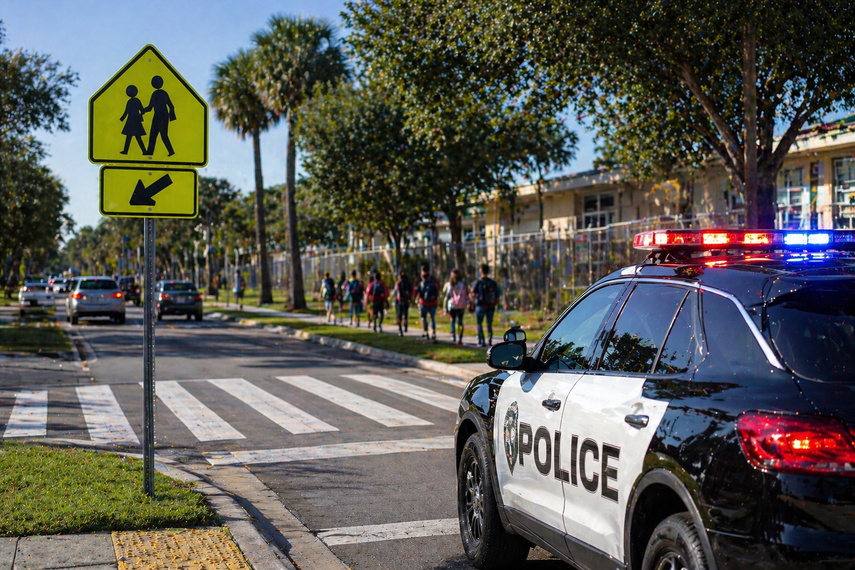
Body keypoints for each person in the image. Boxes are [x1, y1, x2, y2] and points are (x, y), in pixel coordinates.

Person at [143, 75, 176, 156]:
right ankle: (150, 152)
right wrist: (143, 110)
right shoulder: (161, 93)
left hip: (161, 116)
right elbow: (151, 107)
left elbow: (170, 106)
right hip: (160, 115)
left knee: (161, 134)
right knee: (155, 134)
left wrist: (171, 116)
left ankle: (170, 151)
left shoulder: (157, 94)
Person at [471, 264, 501, 347]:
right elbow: (498, 297)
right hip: (490, 306)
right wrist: (495, 305)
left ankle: (481, 341)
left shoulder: (477, 282)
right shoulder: (493, 283)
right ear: (488, 271)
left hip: (480, 306)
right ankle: (490, 340)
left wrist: (472, 304)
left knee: (479, 323)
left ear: (481, 270)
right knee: (489, 324)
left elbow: (473, 294)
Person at [413, 262, 440, 342]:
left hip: (423, 302)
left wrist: (417, 299)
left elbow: (418, 291)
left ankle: (426, 332)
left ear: (421, 270)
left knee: (423, 318)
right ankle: (433, 333)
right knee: (432, 318)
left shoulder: (419, 279)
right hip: (433, 302)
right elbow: (437, 289)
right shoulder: (433, 279)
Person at [444, 268, 469, 345]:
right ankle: (460, 336)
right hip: (461, 306)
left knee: (452, 320)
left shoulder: (451, 284)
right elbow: (466, 295)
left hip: (453, 306)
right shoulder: (463, 284)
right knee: (460, 322)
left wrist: (444, 307)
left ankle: (453, 335)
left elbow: (447, 296)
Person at [119, 85, 146, 155]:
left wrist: (122, 118)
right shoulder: (135, 101)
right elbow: (141, 110)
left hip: (132, 121)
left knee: (134, 137)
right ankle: (143, 151)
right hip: (134, 121)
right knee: (132, 137)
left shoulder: (131, 101)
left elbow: (127, 111)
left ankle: (144, 151)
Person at [392, 270, 412, 337]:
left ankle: (400, 330)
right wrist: (411, 301)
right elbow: (411, 293)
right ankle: (405, 323)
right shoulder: (408, 283)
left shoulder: (398, 283)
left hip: (399, 302)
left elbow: (394, 292)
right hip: (406, 301)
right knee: (405, 314)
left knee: (399, 316)